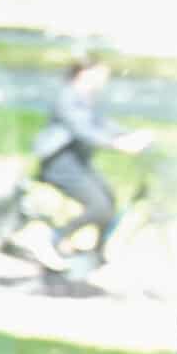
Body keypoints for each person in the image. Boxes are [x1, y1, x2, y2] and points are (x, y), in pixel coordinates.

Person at [33, 55, 152, 262]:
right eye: (100, 73)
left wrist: (130, 134)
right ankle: (57, 237)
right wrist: (117, 143)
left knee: (110, 200)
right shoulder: (68, 97)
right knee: (100, 206)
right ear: (83, 73)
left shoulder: (85, 98)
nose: (104, 78)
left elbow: (101, 124)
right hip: (60, 164)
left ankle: (96, 251)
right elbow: (82, 129)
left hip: (77, 163)